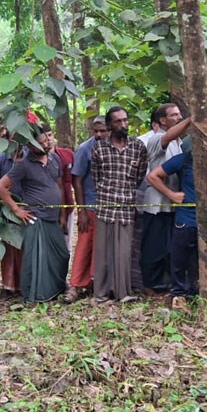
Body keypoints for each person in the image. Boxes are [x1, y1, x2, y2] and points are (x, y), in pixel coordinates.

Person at [148, 141, 207, 309]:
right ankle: (179, 293)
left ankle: (204, 293)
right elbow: (153, 176)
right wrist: (172, 195)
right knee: (180, 256)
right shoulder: (184, 159)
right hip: (187, 216)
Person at [0, 121, 69, 303]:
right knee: (37, 258)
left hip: (53, 217)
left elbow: (59, 185)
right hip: (36, 218)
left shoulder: (54, 159)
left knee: (62, 254)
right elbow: (0, 187)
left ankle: (56, 289)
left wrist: (62, 214)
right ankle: (37, 294)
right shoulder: (23, 165)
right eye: (40, 143)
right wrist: (16, 209)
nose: (45, 145)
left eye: (46, 141)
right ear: (29, 145)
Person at [90, 107, 149, 303]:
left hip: (126, 206)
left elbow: (139, 177)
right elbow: (96, 177)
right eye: (118, 121)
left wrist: (126, 193)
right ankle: (101, 293)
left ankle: (122, 292)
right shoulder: (99, 148)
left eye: (125, 120)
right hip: (105, 205)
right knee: (103, 252)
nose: (123, 124)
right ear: (110, 125)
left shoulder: (138, 147)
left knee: (123, 252)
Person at [138, 104, 186, 295]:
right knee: (154, 246)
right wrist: (193, 119)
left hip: (173, 205)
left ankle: (165, 284)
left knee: (169, 247)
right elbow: (153, 176)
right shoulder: (157, 138)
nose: (179, 117)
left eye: (180, 114)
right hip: (157, 203)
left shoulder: (180, 143)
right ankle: (150, 285)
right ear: (162, 120)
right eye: (174, 115)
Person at [68, 117, 107, 302]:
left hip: (110, 206)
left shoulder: (117, 146)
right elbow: (77, 180)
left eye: (103, 131)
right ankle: (75, 285)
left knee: (103, 247)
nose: (99, 134)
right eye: (95, 131)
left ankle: (96, 283)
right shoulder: (85, 148)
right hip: (91, 205)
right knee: (84, 246)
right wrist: (81, 211)